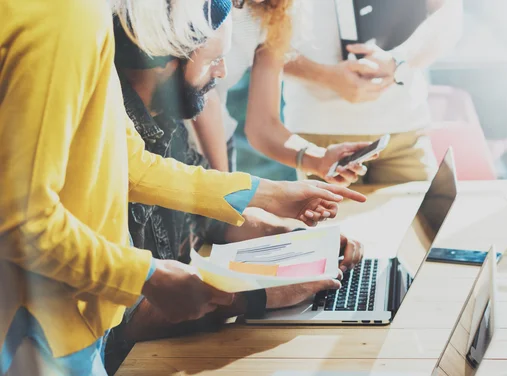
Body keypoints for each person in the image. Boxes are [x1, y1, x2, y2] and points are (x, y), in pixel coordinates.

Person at [0, 0, 366, 374]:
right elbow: (22, 221)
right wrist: (148, 276)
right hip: (42, 319)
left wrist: (269, 195)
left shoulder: (81, 16)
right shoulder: (66, 17)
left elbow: (133, 165)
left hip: (71, 314)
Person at [105, 8, 364, 373]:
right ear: (163, 58)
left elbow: (208, 219)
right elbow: (128, 320)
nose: (224, 73)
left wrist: (291, 237)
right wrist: (262, 296)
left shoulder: (164, 120)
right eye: (214, 60)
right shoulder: (110, 149)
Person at [191, 0, 377, 186]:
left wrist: (319, 158)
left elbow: (263, 125)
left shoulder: (275, 13)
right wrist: (225, 188)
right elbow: (203, 94)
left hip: (218, 144)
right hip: (175, 145)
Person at [282, 0, 463, 185]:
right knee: (335, 214)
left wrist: (400, 60)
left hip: (404, 131)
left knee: (423, 213)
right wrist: (326, 76)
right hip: (320, 136)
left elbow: (449, 13)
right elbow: (261, 39)